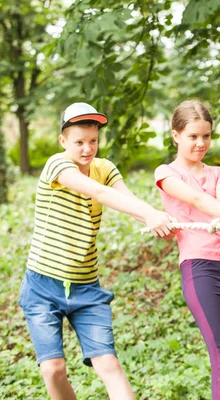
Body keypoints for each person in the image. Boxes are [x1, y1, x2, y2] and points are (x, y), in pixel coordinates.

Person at [18, 102, 174, 400]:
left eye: (93, 140)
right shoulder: (57, 165)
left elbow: (125, 199)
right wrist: (151, 214)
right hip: (42, 284)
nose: (87, 148)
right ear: (63, 141)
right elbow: (100, 193)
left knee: (109, 364)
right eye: (79, 142)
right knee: (53, 369)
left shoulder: (105, 168)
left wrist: (156, 219)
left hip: (86, 287)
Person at [154, 100, 220, 400]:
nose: (201, 143)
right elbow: (198, 201)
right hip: (199, 270)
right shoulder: (167, 173)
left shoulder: (219, 173)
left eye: (206, 136)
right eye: (193, 136)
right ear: (176, 135)